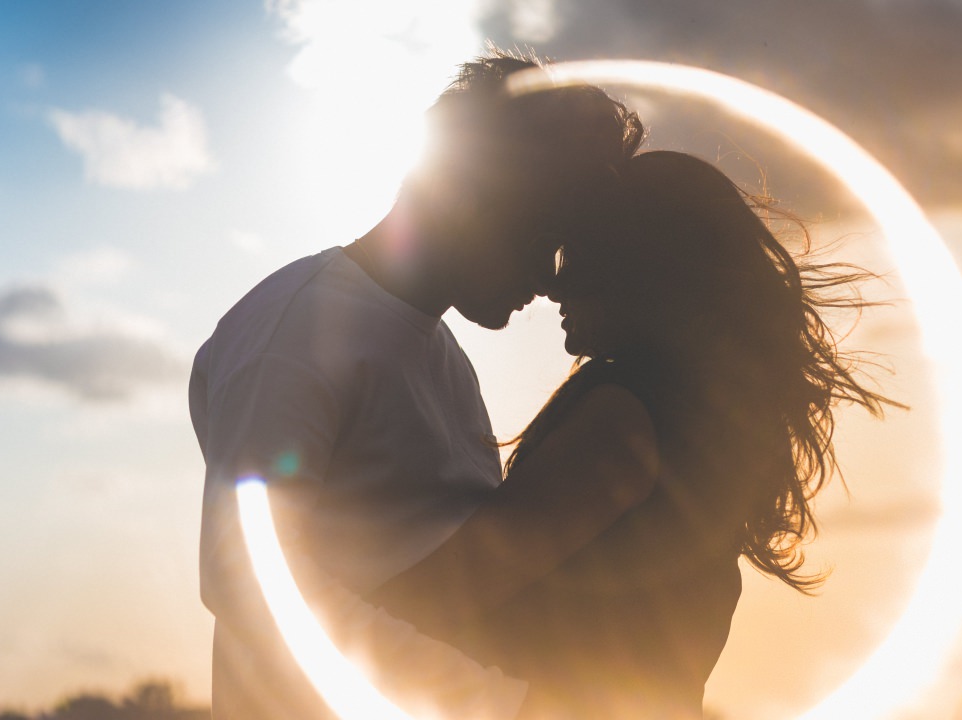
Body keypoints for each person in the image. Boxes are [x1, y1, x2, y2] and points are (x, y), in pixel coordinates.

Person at [188, 50, 644, 719]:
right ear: (479, 196)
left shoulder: (441, 353)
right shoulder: (295, 332)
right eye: (545, 234)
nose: (551, 280)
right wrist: (505, 705)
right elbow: (249, 580)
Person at [369, 146, 901, 717]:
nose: (554, 285)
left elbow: (441, 598)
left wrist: (304, 604)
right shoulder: (703, 420)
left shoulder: (622, 420)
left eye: (578, 256)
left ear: (640, 266)